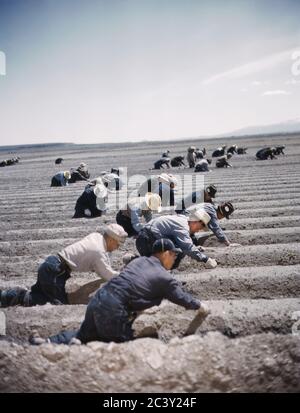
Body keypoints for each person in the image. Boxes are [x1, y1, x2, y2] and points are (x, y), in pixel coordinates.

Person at [29, 239, 210, 345]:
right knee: (121, 345)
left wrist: (142, 306)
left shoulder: (138, 262)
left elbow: (133, 285)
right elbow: (181, 297)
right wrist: (200, 305)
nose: (175, 258)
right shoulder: (164, 276)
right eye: (174, 255)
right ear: (165, 253)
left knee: (82, 335)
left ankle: (47, 343)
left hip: (99, 300)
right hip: (113, 309)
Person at [0, 224, 128, 308]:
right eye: (117, 244)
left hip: (51, 265)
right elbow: (107, 274)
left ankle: (7, 296)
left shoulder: (96, 237)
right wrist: (126, 276)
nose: (117, 248)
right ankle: (15, 294)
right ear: (111, 239)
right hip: (56, 272)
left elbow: (104, 259)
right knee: (59, 305)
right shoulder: (98, 252)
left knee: (39, 296)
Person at [136, 210, 218, 269]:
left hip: (146, 238)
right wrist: (206, 259)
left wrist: (196, 248)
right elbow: (187, 247)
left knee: (174, 251)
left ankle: (136, 261)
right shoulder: (183, 227)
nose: (198, 230)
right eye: (201, 227)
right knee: (178, 253)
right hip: (146, 240)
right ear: (196, 222)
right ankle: (135, 262)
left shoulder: (183, 219)